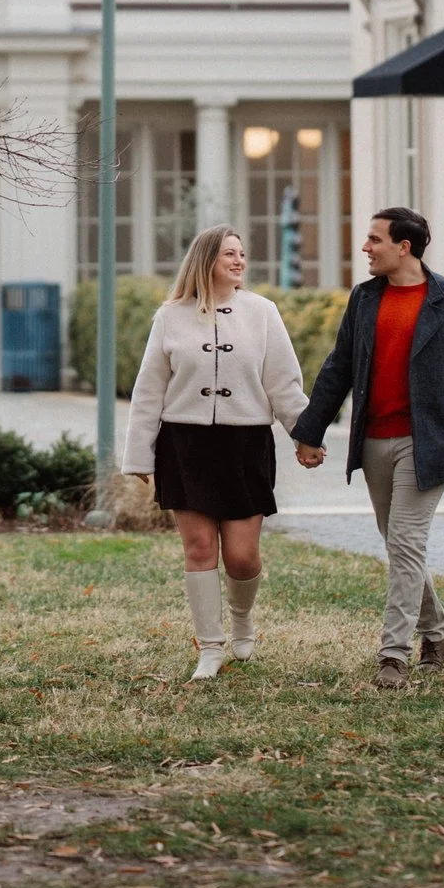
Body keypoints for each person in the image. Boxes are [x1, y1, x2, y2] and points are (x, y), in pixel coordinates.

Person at [289, 207, 444, 689]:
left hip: (426, 446)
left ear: (404, 247)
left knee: (405, 543)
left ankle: (394, 655)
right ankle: (437, 637)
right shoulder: (365, 298)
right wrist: (310, 431)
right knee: (400, 546)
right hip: (373, 443)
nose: (366, 248)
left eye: (375, 239)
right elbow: (339, 367)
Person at [122, 225, 311, 681]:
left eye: (241, 254)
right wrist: (139, 455)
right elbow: (149, 390)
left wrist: (305, 435)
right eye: (229, 254)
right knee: (199, 548)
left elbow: (283, 382)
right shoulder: (170, 317)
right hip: (184, 445)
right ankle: (209, 647)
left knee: (242, 557)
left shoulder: (262, 313)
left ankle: (242, 619)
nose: (239, 261)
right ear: (205, 260)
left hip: (245, 444)